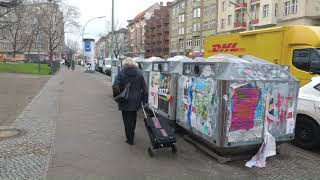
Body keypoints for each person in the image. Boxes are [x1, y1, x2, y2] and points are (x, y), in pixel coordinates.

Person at [113, 58, 148, 145]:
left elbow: (115, 86)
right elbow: (144, 88)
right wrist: (144, 100)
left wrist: (117, 96)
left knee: (126, 119)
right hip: (136, 100)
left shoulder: (121, 73)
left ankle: (129, 138)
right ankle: (132, 132)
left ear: (124, 64)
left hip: (125, 99)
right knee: (133, 117)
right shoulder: (139, 73)